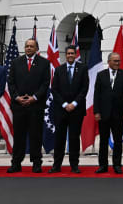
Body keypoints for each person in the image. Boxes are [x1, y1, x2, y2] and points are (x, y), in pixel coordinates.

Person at [7, 37, 51, 173]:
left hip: (35, 106)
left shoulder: (44, 63)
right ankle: (16, 163)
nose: (29, 48)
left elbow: (45, 83)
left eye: (31, 46)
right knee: (19, 136)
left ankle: (36, 163)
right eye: (27, 46)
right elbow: (11, 82)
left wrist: (35, 97)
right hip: (19, 106)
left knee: (36, 136)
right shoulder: (16, 62)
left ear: (37, 48)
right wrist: (16, 97)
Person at [49, 45, 88, 173]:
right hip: (61, 110)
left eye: (72, 53)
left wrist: (74, 104)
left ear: (76, 55)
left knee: (74, 138)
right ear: (65, 55)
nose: (70, 55)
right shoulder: (59, 70)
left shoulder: (82, 69)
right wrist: (65, 104)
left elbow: (84, 89)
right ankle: (56, 165)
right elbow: (54, 89)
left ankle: (74, 165)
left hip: (77, 110)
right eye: (68, 53)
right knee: (59, 138)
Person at [94, 51, 123, 173]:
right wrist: (96, 112)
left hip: (118, 114)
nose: (117, 63)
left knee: (118, 141)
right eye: (115, 61)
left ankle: (117, 165)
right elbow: (97, 95)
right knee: (103, 141)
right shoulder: (101, 75)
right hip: (103, 114)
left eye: (119, 61)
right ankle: (103, 165)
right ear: (109, 62)